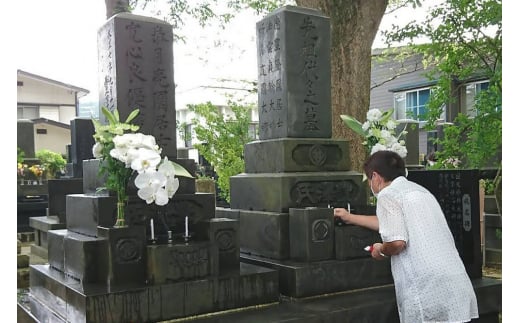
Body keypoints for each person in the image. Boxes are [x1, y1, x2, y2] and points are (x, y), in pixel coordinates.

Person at [334, 150, 479, 323]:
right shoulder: (420, 191)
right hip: (455, 281)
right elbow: (390, 222)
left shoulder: (387, 194)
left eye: (369, 180)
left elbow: (396, 242)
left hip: (427, 287)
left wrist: (380, 250)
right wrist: (350, 217)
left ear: (376, 176)